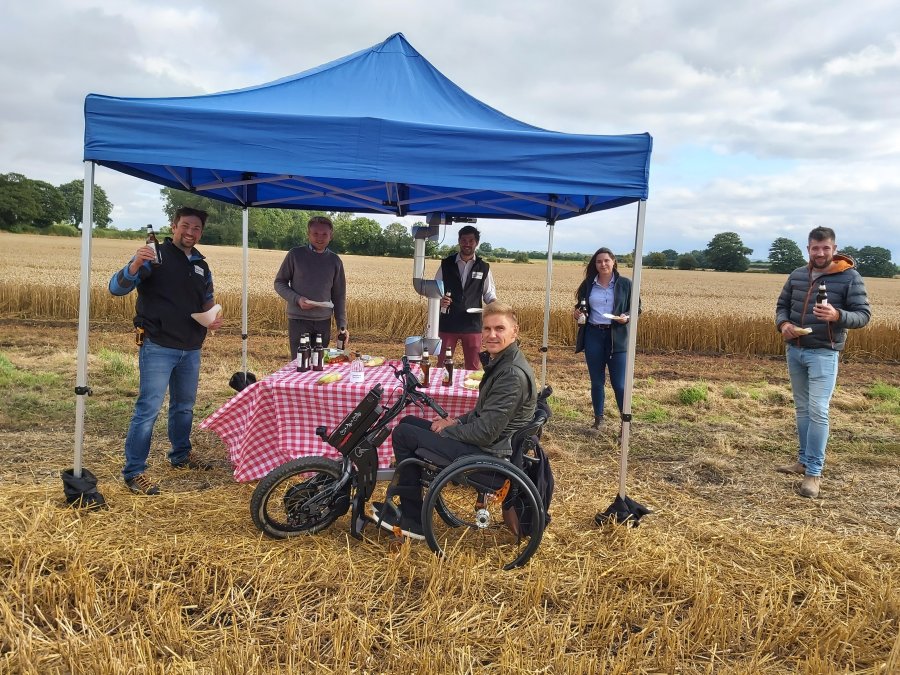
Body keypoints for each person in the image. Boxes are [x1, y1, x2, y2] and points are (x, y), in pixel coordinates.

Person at [375, 302, 536, 539]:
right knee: (408, 422)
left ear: (515, 331)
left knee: (404, 434)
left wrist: (447, 432)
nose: (492, 334)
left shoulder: (511, 374)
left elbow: (485, 433)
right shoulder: (504, 362)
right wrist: (456, 423)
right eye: (487, 329)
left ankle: (413, 519)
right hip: (491, 445)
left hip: (490, 455)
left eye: (499, 329)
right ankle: (412, 508)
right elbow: (482, 412)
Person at [109, 206, 223, 495]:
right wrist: (134, 264)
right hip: (158, 344)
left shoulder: (201, 265)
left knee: (184, 407)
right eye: (185, 225)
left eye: (196, 228)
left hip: (191, 346)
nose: (190, 232)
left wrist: (214, 316)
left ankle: (181, 454)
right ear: (174, 226)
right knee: (148, 410)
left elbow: (207, 299)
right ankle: (135, 472)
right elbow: (116, 288)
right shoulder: (154, 256)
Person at [775, 226, 871, 498]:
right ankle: (803, 460)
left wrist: (837, 315)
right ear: (808, 249)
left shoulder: (849, 277)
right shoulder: (797, 275)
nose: (820, 252)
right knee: (803, 409)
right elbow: (781, 306)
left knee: (818, 410)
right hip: (795, 350)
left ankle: (814, 473)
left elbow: (863, 316)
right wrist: (783, 324)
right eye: (815, 248)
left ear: (834, 249)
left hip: (824, 353)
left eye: (825, 248)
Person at [573, 247, 635, 430]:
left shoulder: (625, 284)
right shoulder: (588, 284)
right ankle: (598, 419)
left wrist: (626, 317)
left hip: (617, 336)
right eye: (599, 261)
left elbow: (636, 308)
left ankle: (625, 422)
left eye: (606, 260)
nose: (603, 264)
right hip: (593, 334)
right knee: (597, 381)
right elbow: (581, 306)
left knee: (619, 384)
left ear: (614, 261)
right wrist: (577, 313)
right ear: (595, 264)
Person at [274, 215, 348, 359]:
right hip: (298, 321)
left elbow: (339, 296)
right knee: (299, 363)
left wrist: (342, 325)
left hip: (323, 322)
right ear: (308, 234)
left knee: (319, 363)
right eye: (315, 234)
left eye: (324, 234)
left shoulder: (335, 261)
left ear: (331, 236)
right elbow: (279, 283)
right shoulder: (295, 255)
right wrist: (297, 299)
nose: (319, 238)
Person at [435, 225, 497, 371]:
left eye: (471, 240)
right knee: (442, 364)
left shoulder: (484, 267)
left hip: (473, 324)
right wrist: (440, 298)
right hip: (448, 322)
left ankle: (471, 392)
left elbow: (489, 294)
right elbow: (435, 291)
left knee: (473, 366)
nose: (467, 244)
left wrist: (496, 306)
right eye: (464, 240)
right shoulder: (446, 264)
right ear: (459, 241)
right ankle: (440, 392)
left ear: (476, 243)